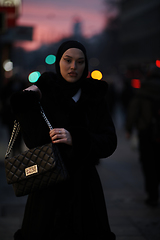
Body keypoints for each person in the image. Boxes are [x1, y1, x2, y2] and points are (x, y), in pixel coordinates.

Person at [10, 40, 117, 240]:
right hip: (48, 186)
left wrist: (75, 138)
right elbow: (33, 141)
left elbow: (109, 141)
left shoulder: (94, 96)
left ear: (86, 65)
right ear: (58, 62)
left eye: (80, 62)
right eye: (67, 60)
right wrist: (29, 99)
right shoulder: (44, 93)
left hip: (85, 189)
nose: (73, 67)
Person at [125, 70, 160, 207]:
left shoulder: (143, 92)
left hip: (146, 132)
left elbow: (133, 112)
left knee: (148, 164)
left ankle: (152, 195)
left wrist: (129, 129)